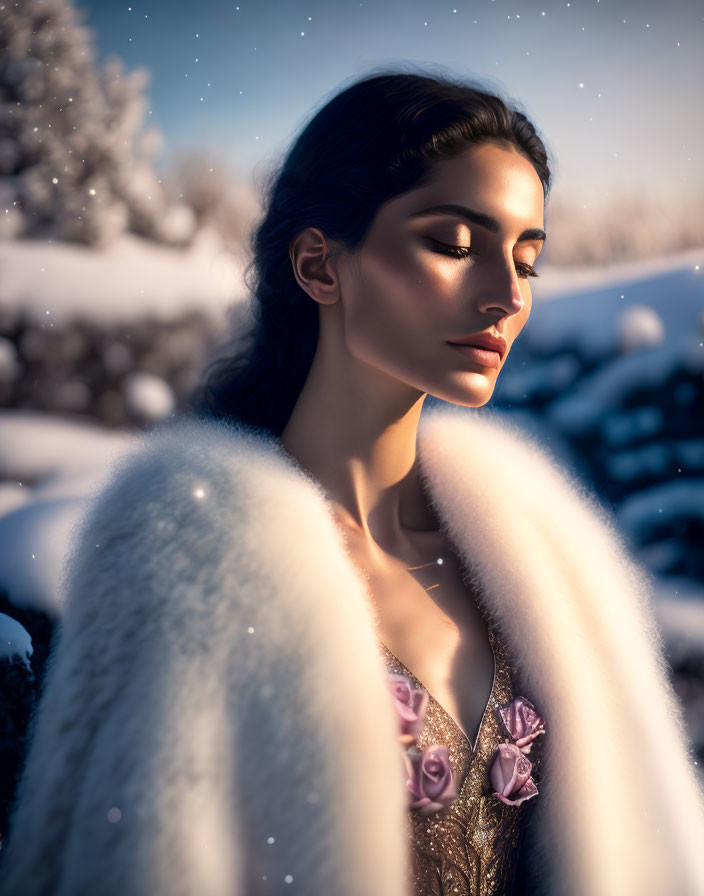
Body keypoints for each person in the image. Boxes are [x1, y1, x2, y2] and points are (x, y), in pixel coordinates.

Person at [2, 70, 703, 896]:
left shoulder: (537, 557)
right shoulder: (194, 567)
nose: (506, 296)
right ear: (318, 265)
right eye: (454, 244)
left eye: (527, 260)